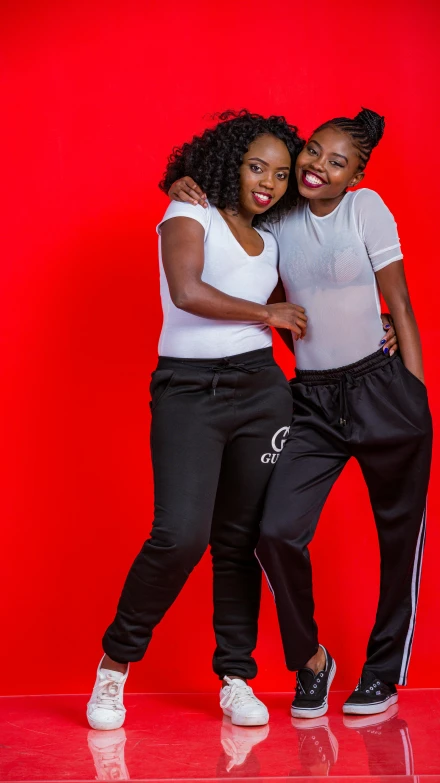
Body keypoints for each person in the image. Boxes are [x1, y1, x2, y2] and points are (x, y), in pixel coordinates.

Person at [169, 108, 432, 720]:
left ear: (354, 174)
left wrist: (412, 397)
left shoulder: (367, 210)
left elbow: (400, 302)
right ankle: (311, 658)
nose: (318, 166)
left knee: (399, 543)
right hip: (312, 397)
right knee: (275, 532)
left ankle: (382, 675)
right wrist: (186, 181)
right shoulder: (279, 213)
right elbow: (232, 204)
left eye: (337, 161)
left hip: (382, 389)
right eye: (313, 151)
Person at [87, 110, 309, 731]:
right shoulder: (189, 212)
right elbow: (186, 292)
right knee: (178, 535)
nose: (267, 181)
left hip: (262, 391)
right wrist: (269, 315)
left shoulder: (273, 238)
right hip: (188, 391)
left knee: (237, 541)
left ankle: (236, 677)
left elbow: (298, 310)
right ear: (230, 162)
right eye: (256, 166)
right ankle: (113, 667)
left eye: (282, 173)